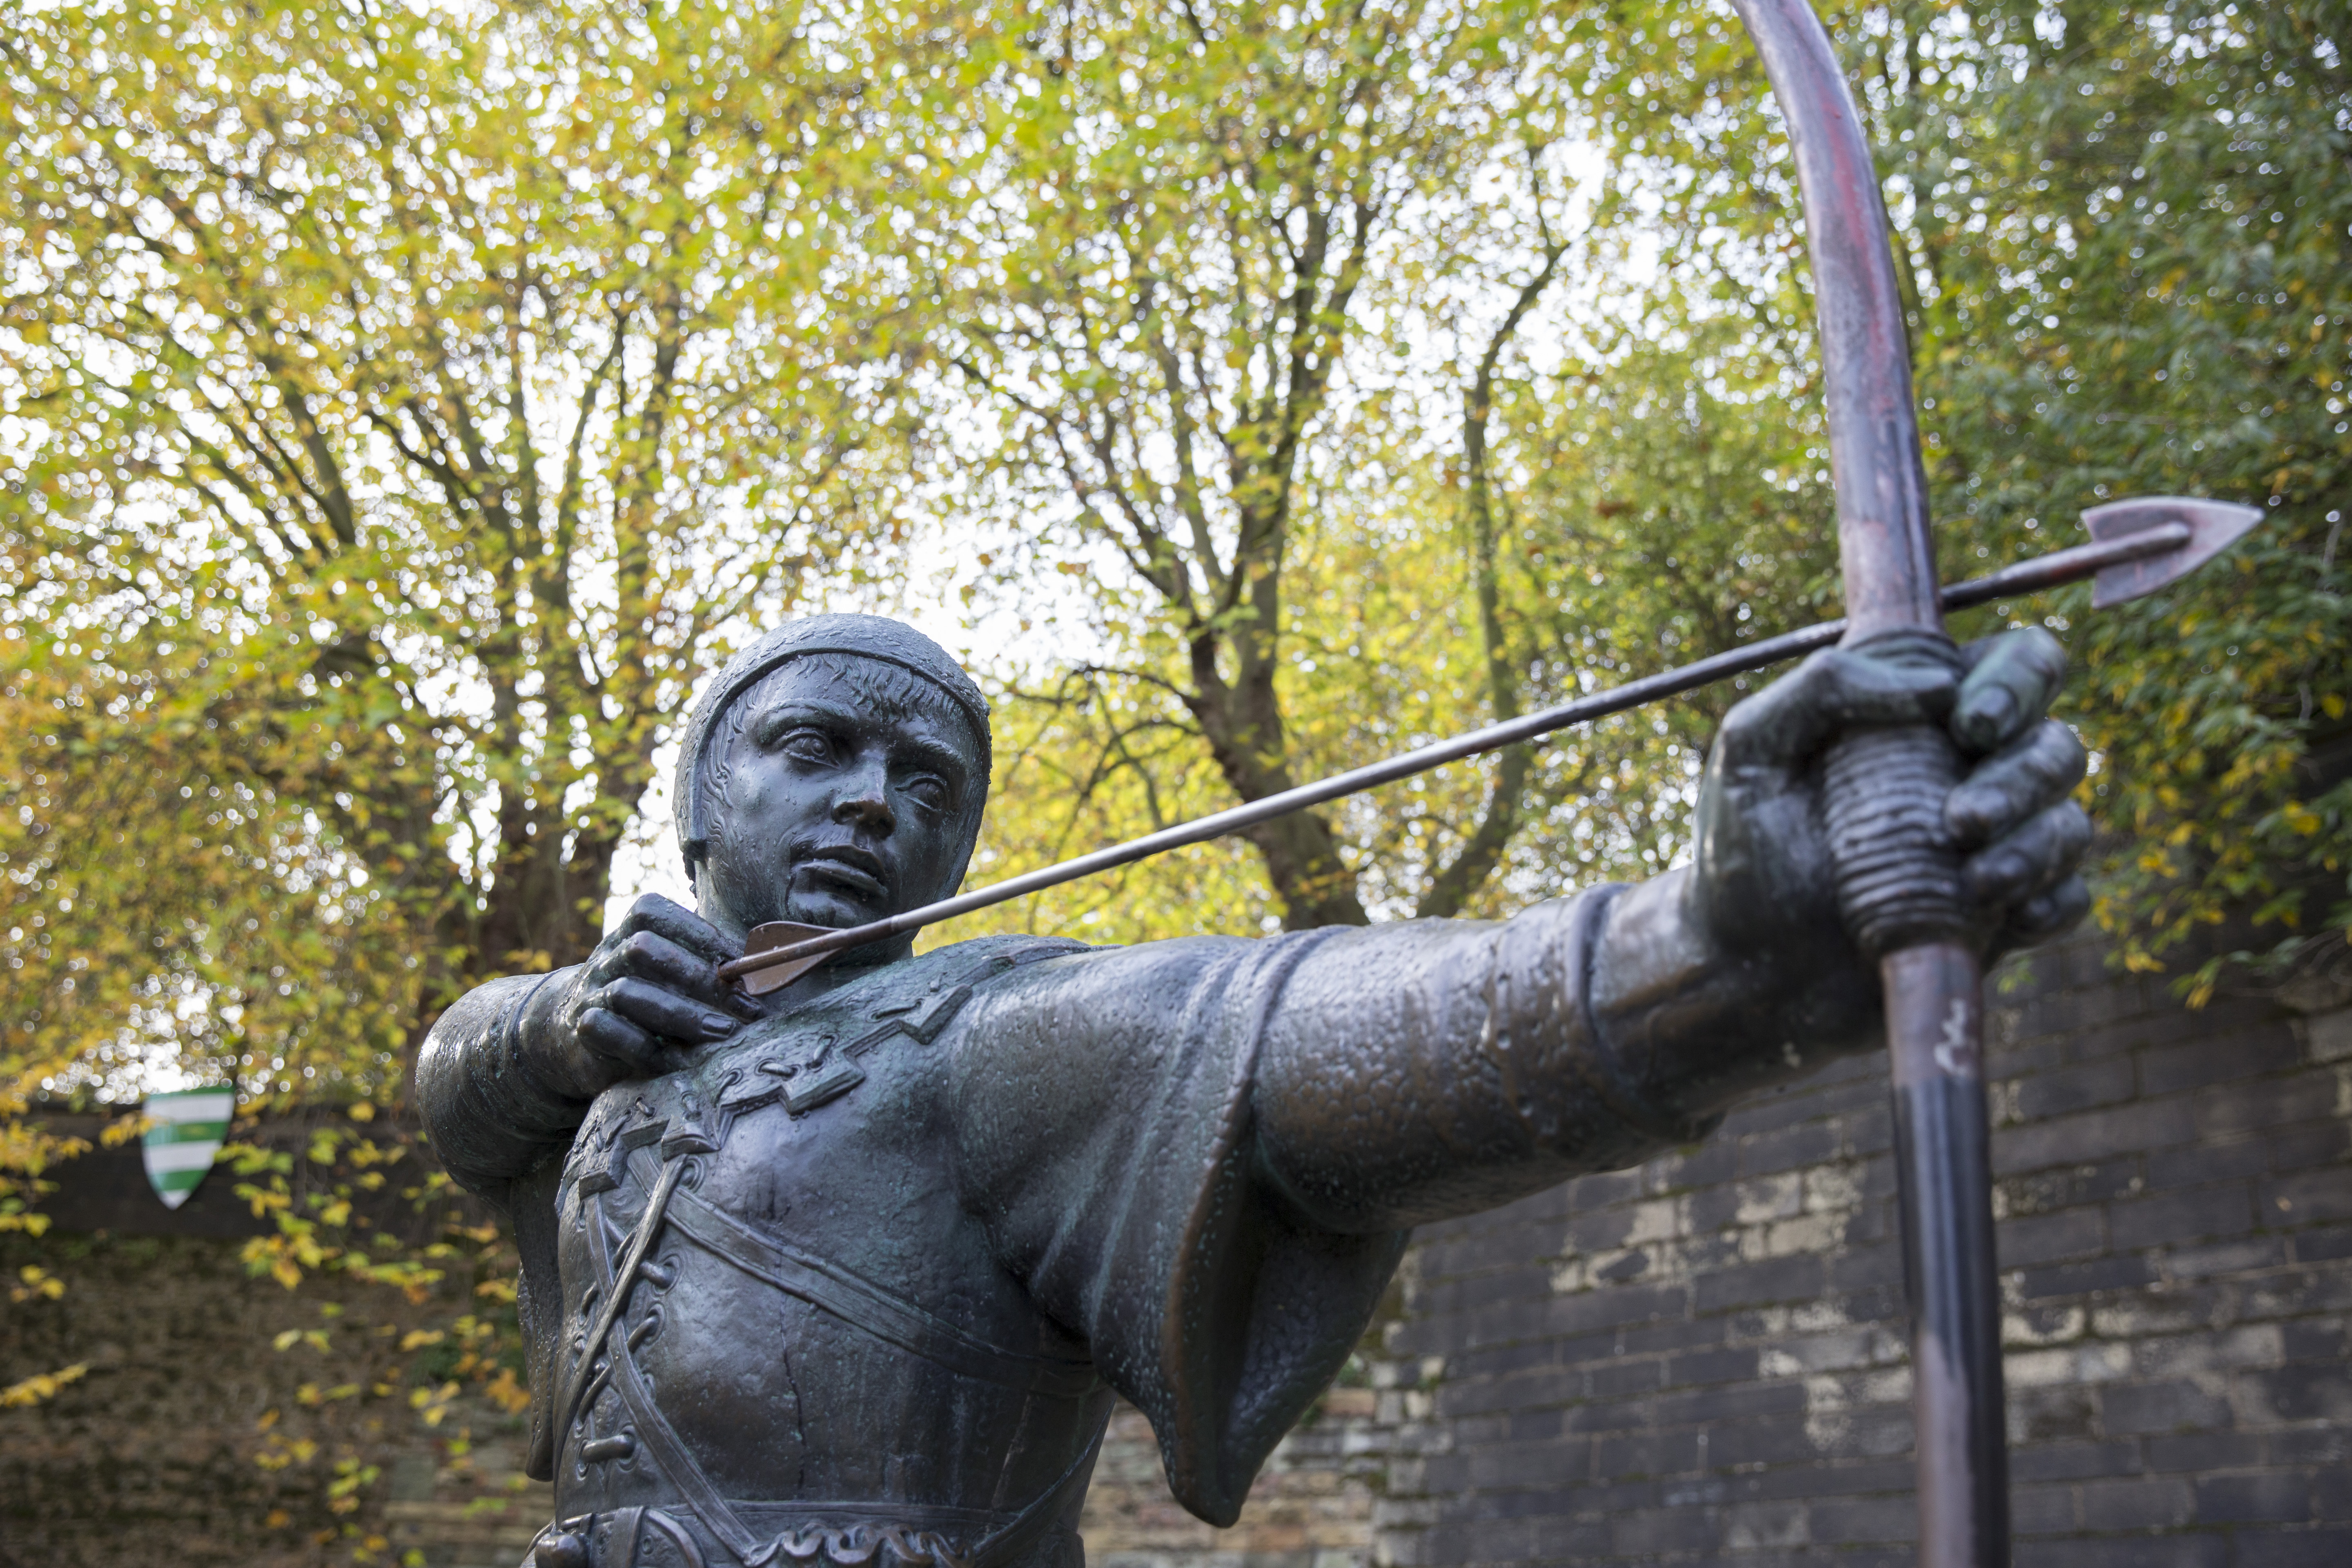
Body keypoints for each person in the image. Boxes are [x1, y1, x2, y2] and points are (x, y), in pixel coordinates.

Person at [417, 614, 2089, 1568]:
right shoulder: (612, 1056)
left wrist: (1721, 944)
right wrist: (565, 1018)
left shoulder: (987, 1035)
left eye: (926, 782)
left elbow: (1310, 1036)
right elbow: (456, 1087)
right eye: (817, 751)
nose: (874, 801)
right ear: (705, 803)